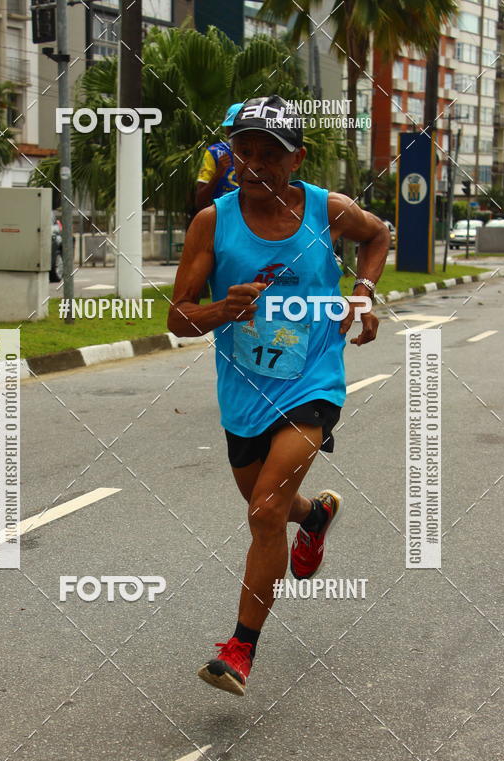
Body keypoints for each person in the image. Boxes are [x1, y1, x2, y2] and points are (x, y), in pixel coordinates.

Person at [168, 95, 390, 697]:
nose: (255, 163)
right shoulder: (213, 222)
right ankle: (315, 516)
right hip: (244, 393)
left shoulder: (328, 211)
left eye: (271, 153)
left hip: (313, 381)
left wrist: (363, 293)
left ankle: (239, 649)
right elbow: (177, 319)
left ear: (298, 158)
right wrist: (219, 310)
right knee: (271, 503)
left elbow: (379, 234)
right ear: (232, 154)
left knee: (264, 512)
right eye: (245, 151)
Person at [194, 103, 243, 211]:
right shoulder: (215, 153)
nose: (232, 133)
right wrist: (218, 174)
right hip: (222, 218)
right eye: (230, 129)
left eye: (237, 129)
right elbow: (200, 202)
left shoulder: (259, 156)